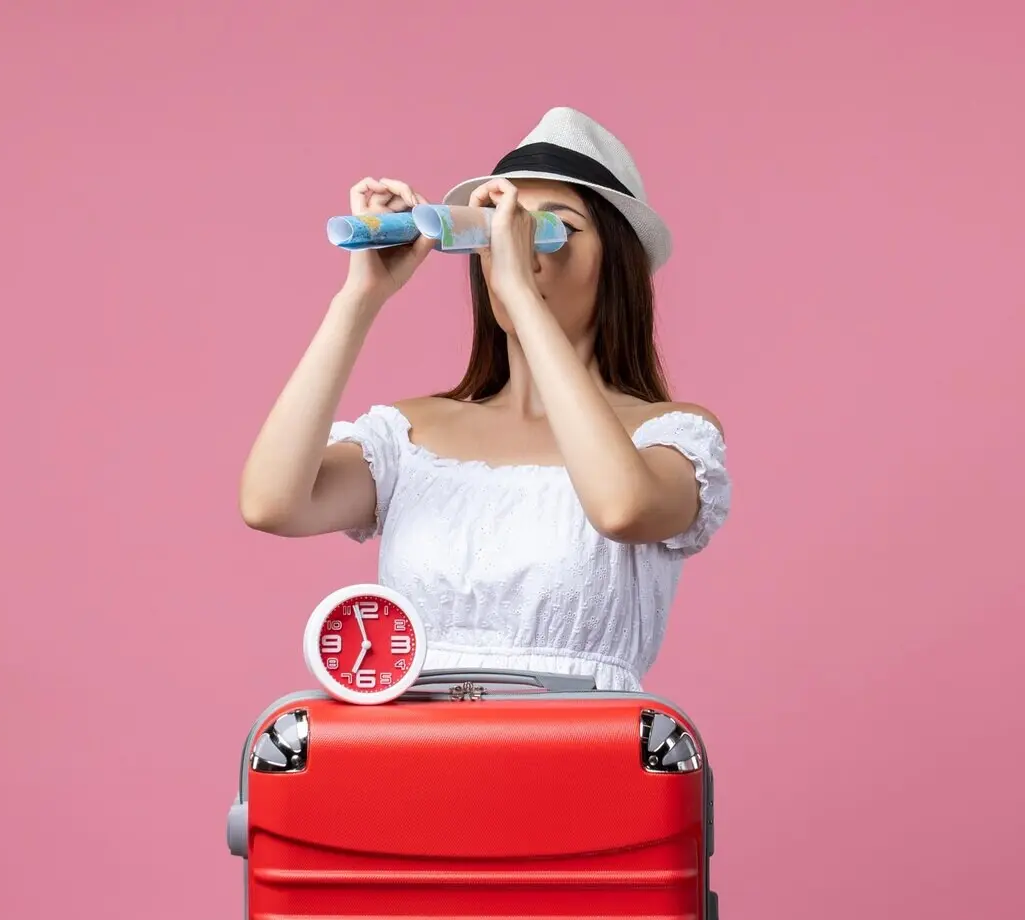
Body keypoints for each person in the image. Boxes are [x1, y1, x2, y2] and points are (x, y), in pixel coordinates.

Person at [239, 107, 731, 691]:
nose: (519, 248)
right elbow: (271, 503)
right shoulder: (413, 435)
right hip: (418, 763)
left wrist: (521, 292)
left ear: (617, 263)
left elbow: (622, 509)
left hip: (583, 762)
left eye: (553, 229)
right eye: (502, 229)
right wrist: (360, 298)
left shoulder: (669, 437)